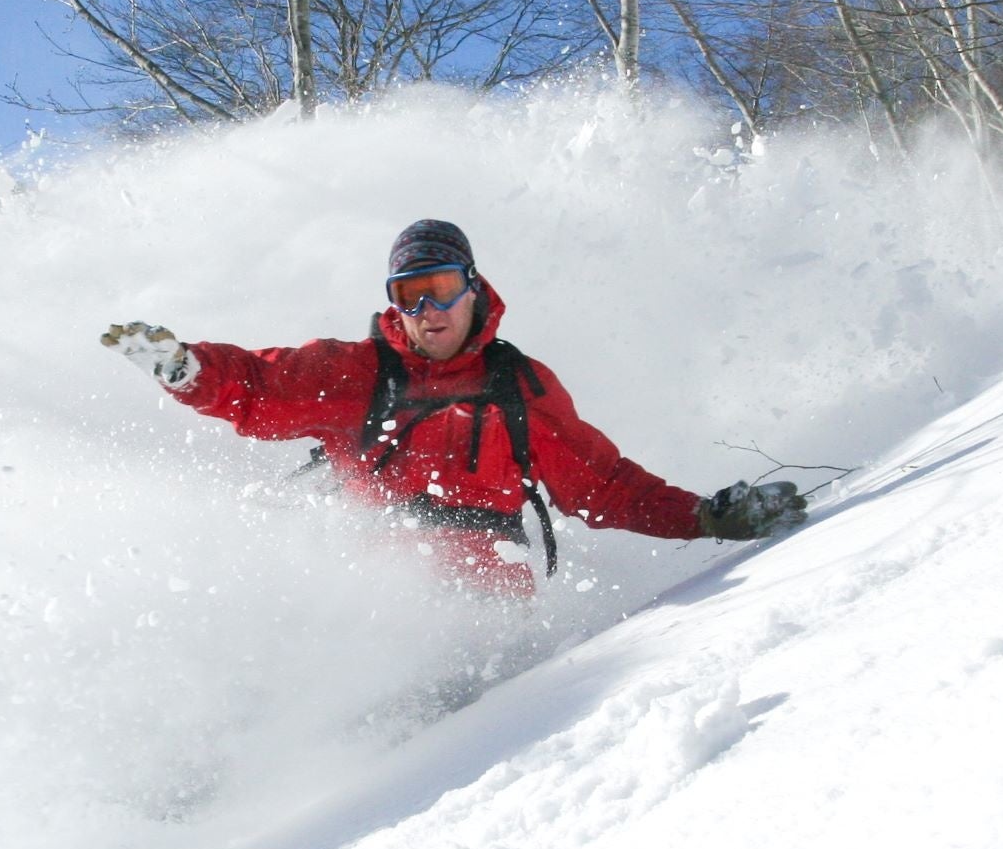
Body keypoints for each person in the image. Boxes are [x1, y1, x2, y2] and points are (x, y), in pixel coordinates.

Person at [101, 219, 807, 595]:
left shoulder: (518, 387)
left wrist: (706, 518)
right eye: (411, 295)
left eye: (441, 287)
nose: (429, 310)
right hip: (369, 593)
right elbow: (260, 387)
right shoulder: (358, 373)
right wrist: (189, 371)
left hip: (488, 604)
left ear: (474, 289)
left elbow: (602, 486)